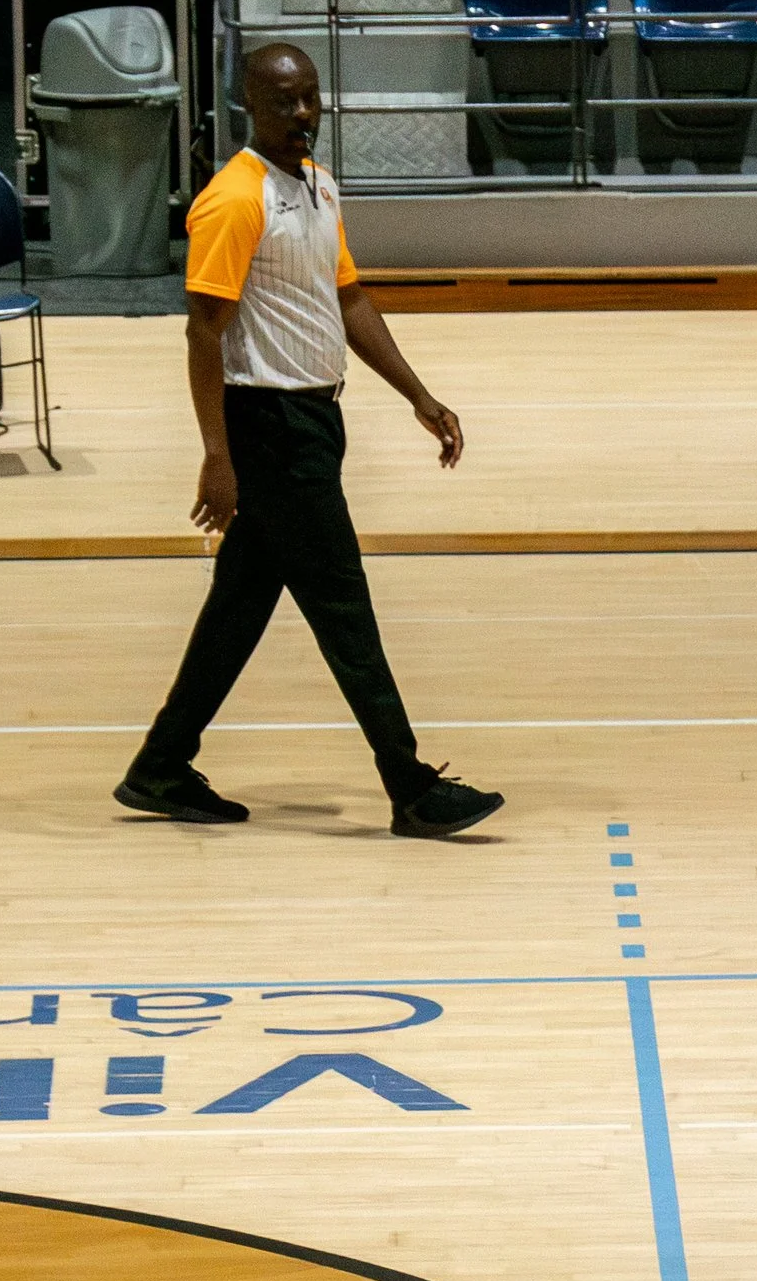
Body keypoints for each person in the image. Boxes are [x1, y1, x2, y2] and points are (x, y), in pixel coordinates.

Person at [115, 43, 501, 838]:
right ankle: (412, 786)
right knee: (343, 607)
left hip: (316, 423)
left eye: (310, 98)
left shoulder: (320, 188)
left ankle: (160, 767)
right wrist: (217, 456)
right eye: (285, 101)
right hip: (270, 429)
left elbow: (349, 301)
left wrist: (418, 395)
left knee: (240, 607)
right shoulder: (233, 199)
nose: (302, 113)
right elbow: (202, 333)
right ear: (250, 106)